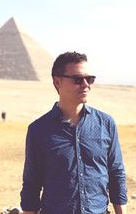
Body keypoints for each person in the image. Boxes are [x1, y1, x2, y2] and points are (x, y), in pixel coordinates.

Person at [20, 51, 127, 214]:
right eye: (78, 79)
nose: (86, 84)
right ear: (57, 82)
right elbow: (31, 184)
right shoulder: (38, 130)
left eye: (90, 79)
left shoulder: (106, 124)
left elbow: (116, 174)